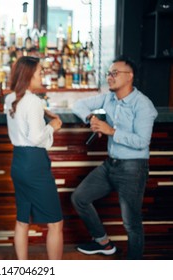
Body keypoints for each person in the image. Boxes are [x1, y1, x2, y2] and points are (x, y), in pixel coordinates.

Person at [71, 56, 158, 260]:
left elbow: (142, 141)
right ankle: (103, 243)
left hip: (133, 168)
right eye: (108, 73)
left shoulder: (143, 105)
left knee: (131, 223)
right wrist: (92, 118)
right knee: (79, 198)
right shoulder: (108, 98)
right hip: (111, 165)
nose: (109, 77)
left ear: (130, 77)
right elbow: (78, 104)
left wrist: (111, 131)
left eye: (114, 73)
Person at [4, 56, 64, 260]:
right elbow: (37, 137)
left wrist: (43, 110)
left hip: (18, 162)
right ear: (29, 75)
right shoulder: (34, 102)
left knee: (22, 220)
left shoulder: (10, 98)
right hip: (35, 164)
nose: (42, 75)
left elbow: (23, 113)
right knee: (55, 222)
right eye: (40, 72)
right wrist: (52, 126)